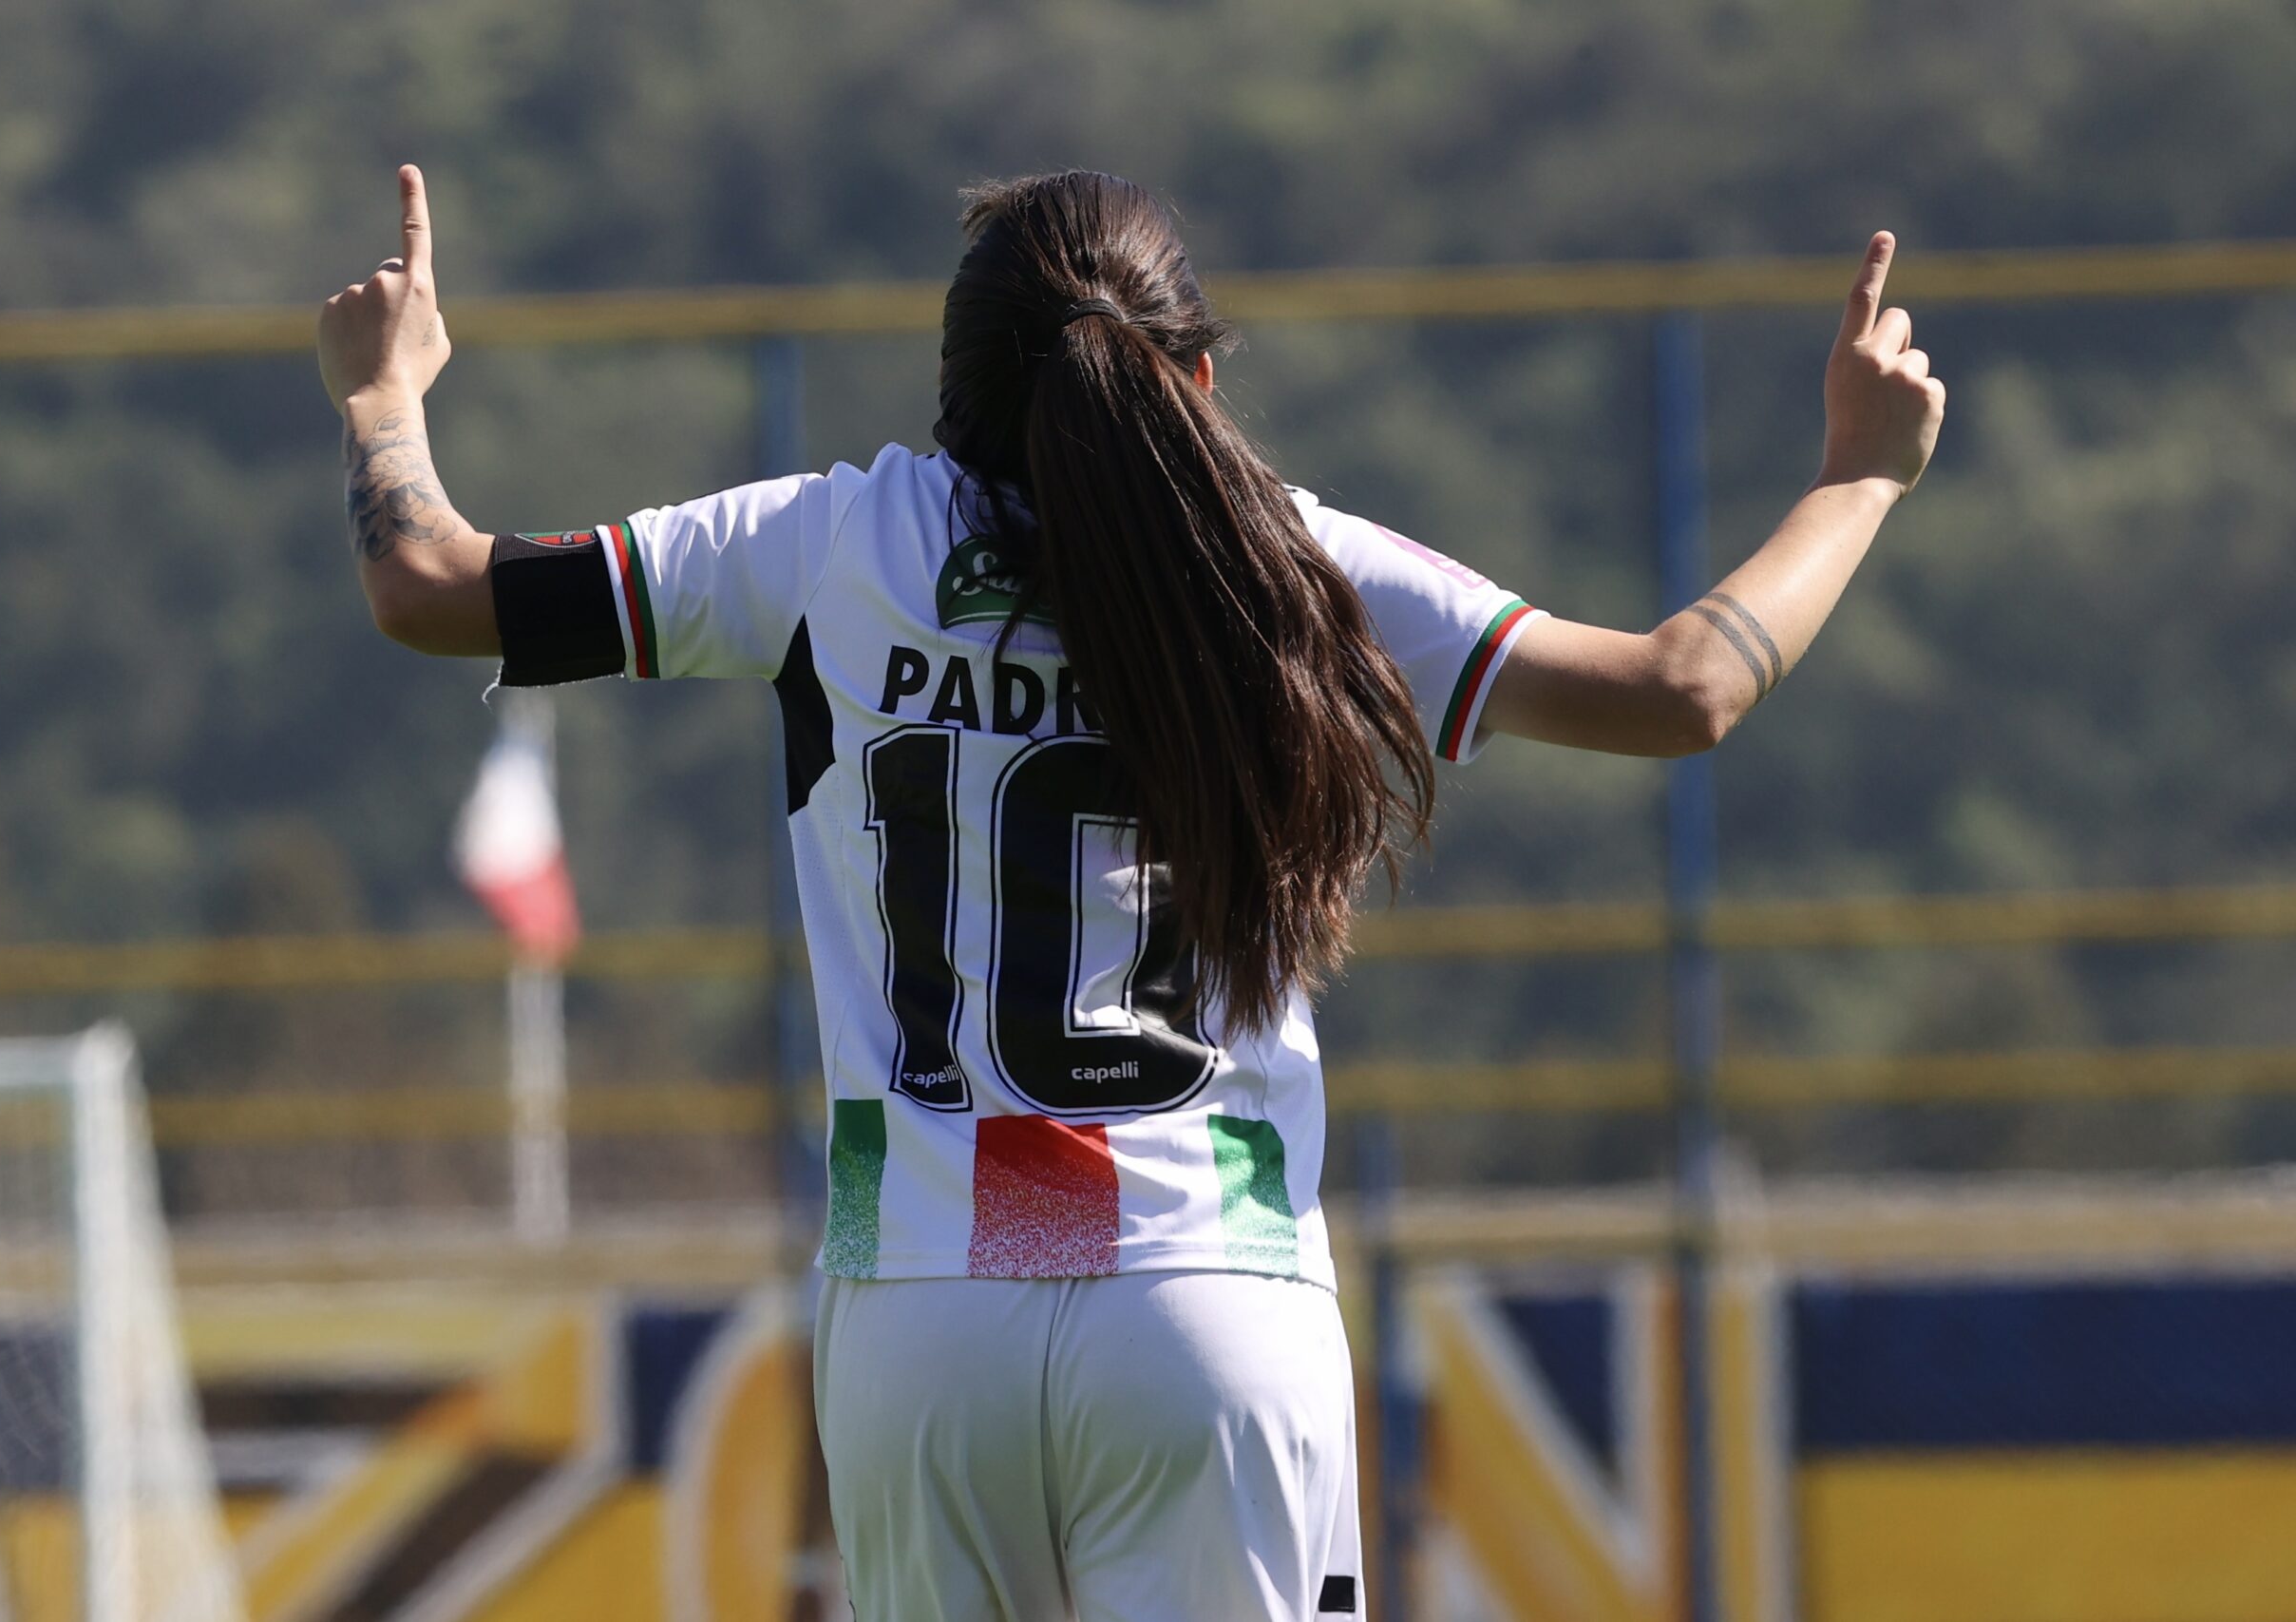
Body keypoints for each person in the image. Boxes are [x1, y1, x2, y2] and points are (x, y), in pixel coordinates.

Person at [318, 164, 1942, 1620]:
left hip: (922, 1322)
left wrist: (385, 397)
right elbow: (1677, 691)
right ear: (1205, 381)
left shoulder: (824, 547)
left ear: (953, 396)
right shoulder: (1294, 570)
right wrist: (1859, 476)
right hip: (1204, 1306)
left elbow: (430, 584)